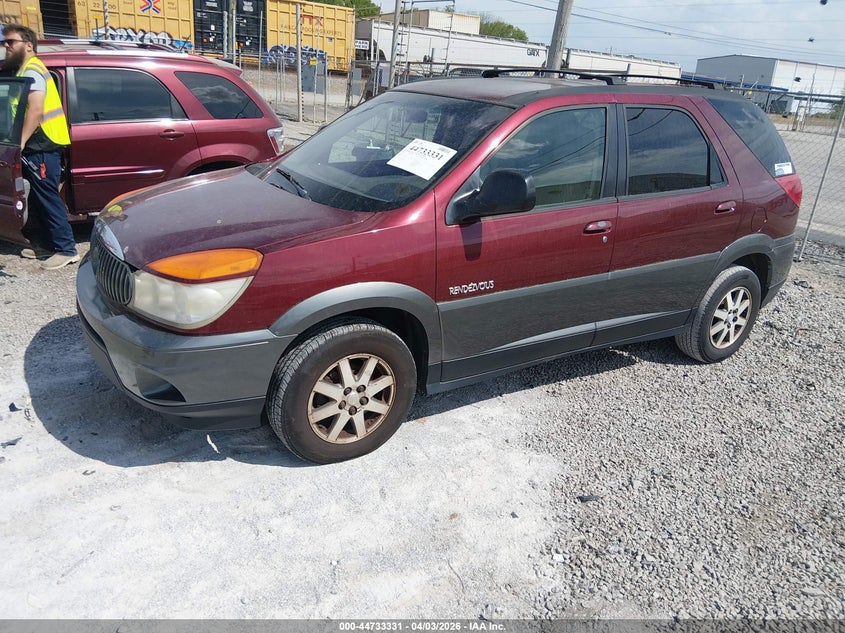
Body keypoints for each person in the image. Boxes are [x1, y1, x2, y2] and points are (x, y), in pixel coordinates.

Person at [2, 24, 78, 270]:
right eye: (4, 42)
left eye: (10, 41)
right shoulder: (24, 70)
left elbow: (35, 110)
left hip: (42, 145)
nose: (6, 46)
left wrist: (20, 142)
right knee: (37, 197)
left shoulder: (33, 71)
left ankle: (66, 249)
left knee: (48, 197)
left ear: (28, 45)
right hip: (38, 145)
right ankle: (47, 244)